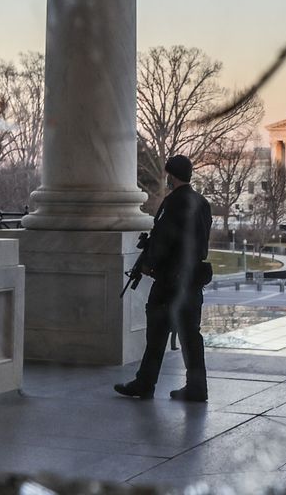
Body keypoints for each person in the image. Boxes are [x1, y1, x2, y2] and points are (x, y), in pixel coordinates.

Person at [115, 154, 213, 402]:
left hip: (171, 280)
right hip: (193, 279)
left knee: (156, 334)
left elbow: (163, 241)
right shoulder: (202, 203)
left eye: (168, 174)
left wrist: (148, 265)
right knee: (191, 335)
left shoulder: (173, 203)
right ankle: (196, 387)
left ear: (173, 175)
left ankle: (145, 383)